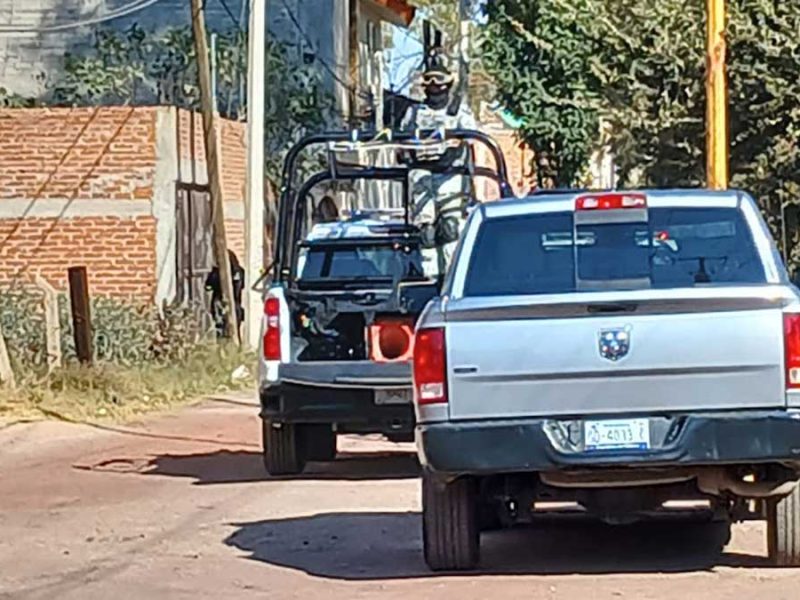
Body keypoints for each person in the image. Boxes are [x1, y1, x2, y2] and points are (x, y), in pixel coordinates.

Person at [400, 48, 477, 278]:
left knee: (451, 227)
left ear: (448, 83)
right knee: (426, 232)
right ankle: (429, 275)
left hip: (451, 175)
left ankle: (452, 277)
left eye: (439, 80)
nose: (434, 85)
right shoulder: (413, 113)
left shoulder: (459, 112)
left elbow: (474, 141)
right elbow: (402, 142)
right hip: (422, 176)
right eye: (429, 80)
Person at [205, 250, 245, 338]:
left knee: (220, 329)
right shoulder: (240, 271)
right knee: (234, 329)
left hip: (220, 303)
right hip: (235, 304)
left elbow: (208, 286)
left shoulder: (217, 272)